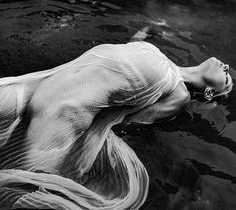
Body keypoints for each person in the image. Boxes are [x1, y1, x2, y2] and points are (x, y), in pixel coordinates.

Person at [0, 41, 233, 210]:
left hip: (64, 114)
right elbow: (120, 57)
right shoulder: (160, 56)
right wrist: (147, 31)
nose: (227, 68)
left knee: (20, 187)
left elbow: (130, 121)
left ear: (210, 93)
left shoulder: (179, 96)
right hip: (33, 89)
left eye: (227, 79)